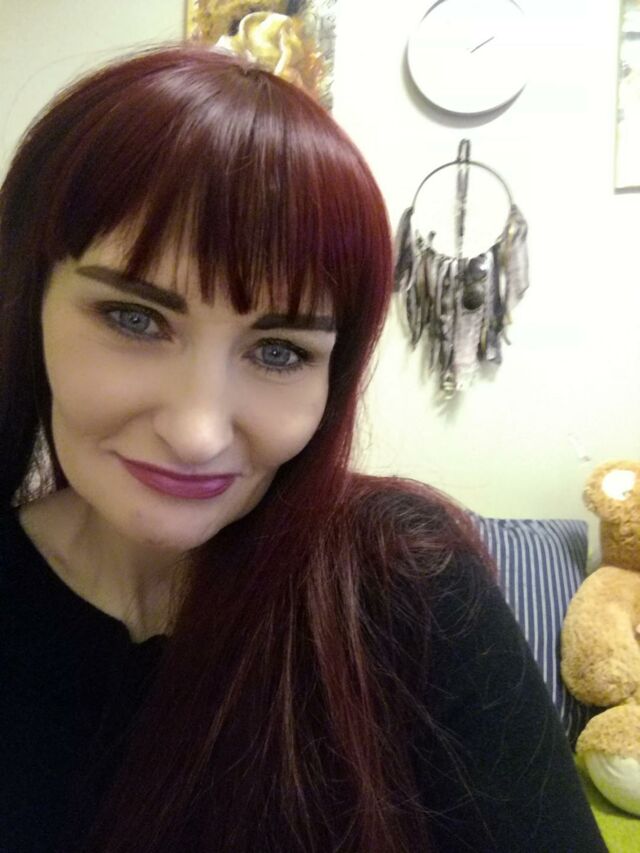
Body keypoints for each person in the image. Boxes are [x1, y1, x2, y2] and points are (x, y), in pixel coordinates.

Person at [0, 45, 605, 853]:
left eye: (279, 351)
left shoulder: (406, 586)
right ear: (27, 300)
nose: (198, 432)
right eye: (135, 319)